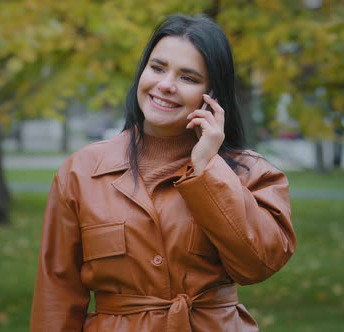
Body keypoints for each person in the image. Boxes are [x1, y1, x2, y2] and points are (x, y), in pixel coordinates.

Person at [30, 14, 296, 331]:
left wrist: (208, 167)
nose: (165, 85)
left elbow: (258, 264)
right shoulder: (81, 171)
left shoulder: (251, 172)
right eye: (157, 68)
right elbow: (56, 293)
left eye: (188, 78)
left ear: (213, 96)